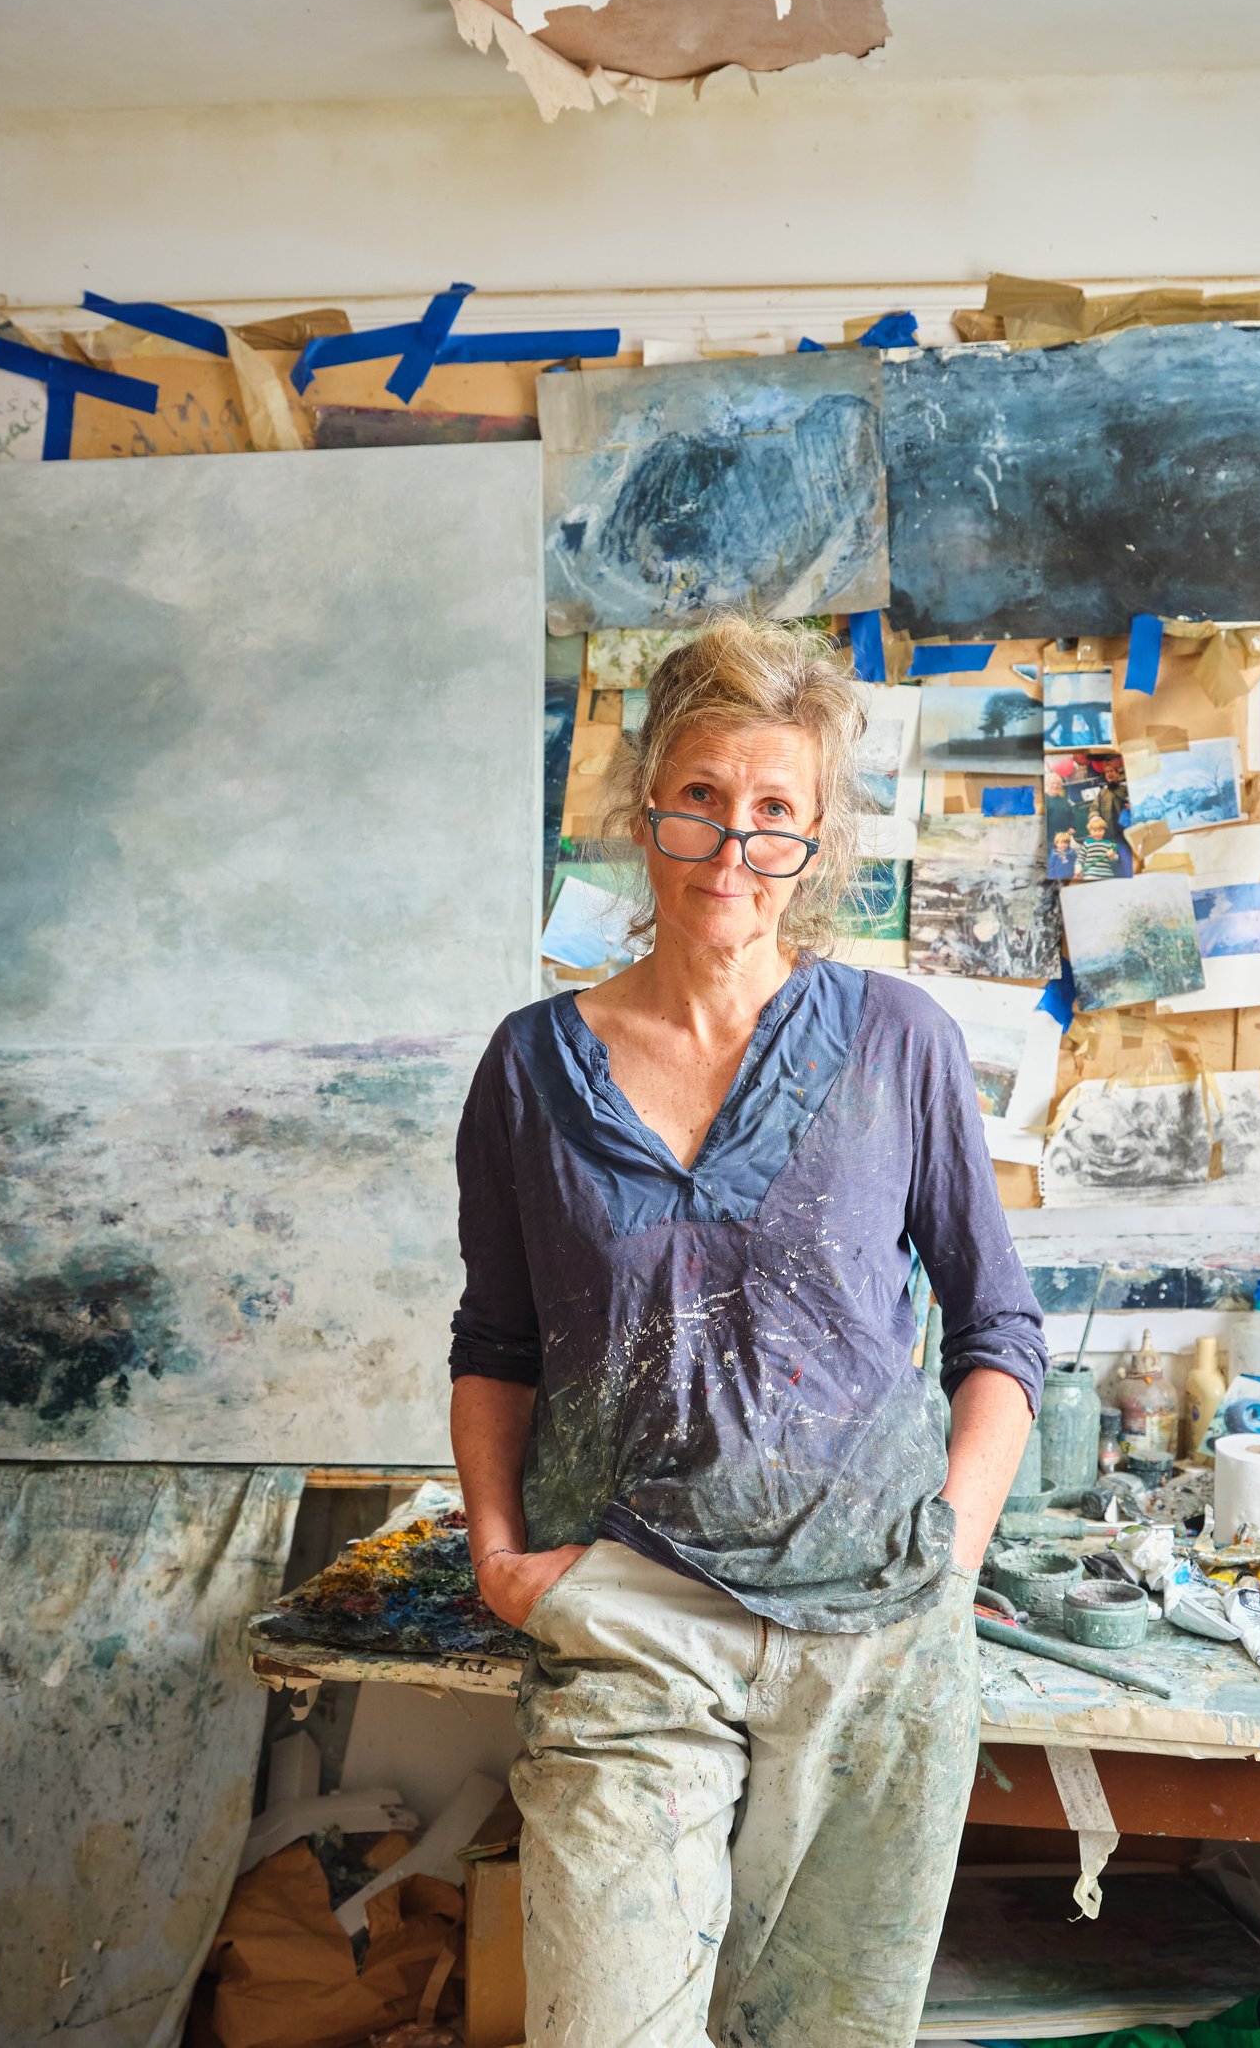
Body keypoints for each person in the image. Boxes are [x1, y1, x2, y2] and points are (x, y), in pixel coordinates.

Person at [447, 615, 1045, 2048]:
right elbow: (497, 1341)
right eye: (702, 800)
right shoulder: (533, 1066)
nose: (732, 850)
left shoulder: (898, 1038)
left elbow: (1001, 1330)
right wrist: (495, 1557)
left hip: (880, 1637)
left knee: (825, 2034)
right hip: (638, 1617)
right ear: (643, 804)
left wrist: (951, 1551)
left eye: (775, 814)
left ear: (820, 836)